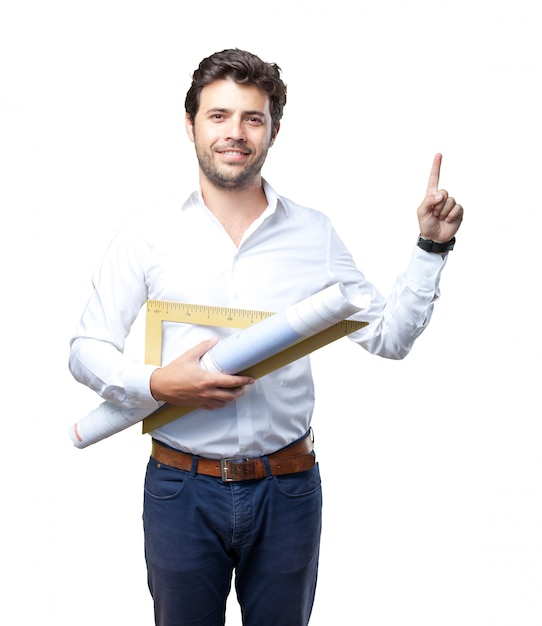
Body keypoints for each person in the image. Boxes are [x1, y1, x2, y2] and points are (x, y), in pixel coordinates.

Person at [69, 48, 464, 626]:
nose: (235, 133)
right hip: (181, 488)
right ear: (191, 125)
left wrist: (430, 246)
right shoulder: (146, 234)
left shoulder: (313, 233)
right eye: (219, 115)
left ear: (273, 130)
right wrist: (158, 381)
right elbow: (85, 349)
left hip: (288, 490)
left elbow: (389, 338)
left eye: (253, 118)